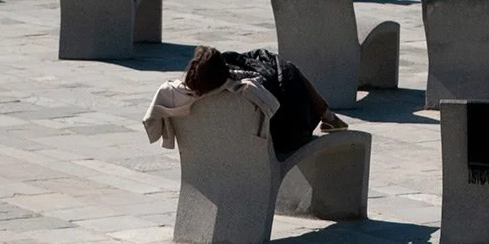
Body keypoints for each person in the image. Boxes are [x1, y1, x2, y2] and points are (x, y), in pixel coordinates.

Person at [145, 46, 348, 158]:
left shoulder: (175, 96)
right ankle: (329, 116)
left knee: (284, 71)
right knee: (289, 72)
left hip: (212, 157)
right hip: (267, 150)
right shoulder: (248, 94)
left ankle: (328, 116)